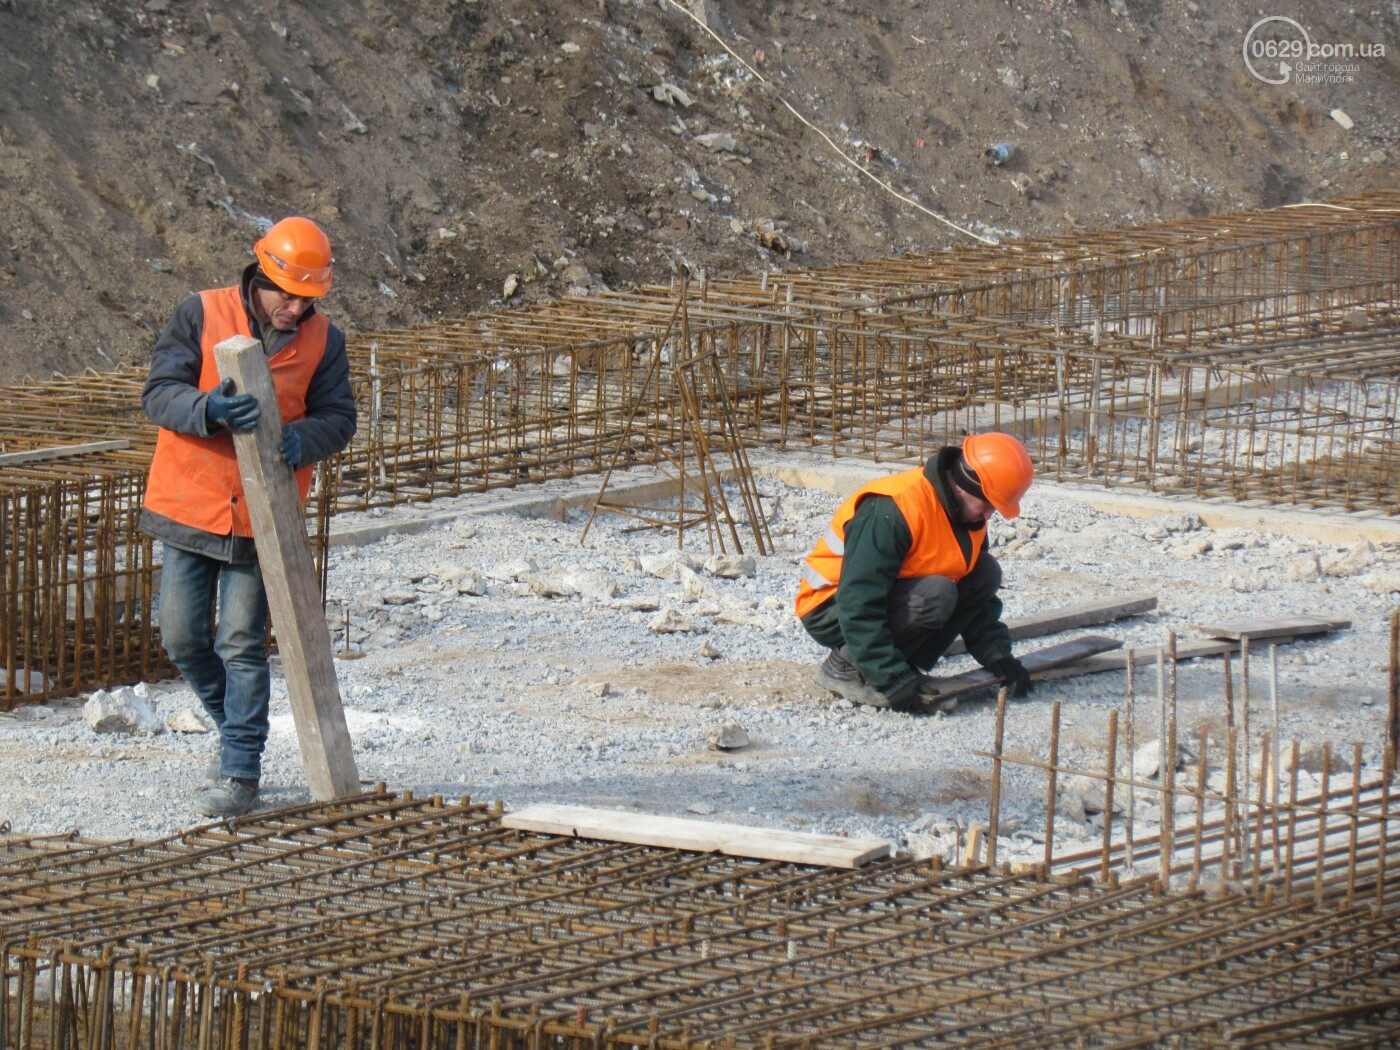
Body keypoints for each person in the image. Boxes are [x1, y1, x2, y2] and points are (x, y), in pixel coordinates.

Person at [140, 216, 356, 817]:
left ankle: (240, 768)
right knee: (182, 637)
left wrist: (302, 440)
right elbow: (158, 392)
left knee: (240, 641)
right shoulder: (201, 313)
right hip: (190, 505)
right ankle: (232, 726)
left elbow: (339, 416)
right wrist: (206, 408)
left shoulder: (324, 340)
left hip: (264, 515)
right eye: (285, 294)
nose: (294, 308)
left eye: (306, 298)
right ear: (259, 276)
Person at [795, 432, 1035, 713]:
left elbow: (977, 599)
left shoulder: (965, 516)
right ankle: (847, 668)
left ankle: (895, 663)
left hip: (882, 596)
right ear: (966, 486)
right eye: (987, 505)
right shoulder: (894, 508)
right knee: (937, 593)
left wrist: (997, 655)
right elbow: (858, 600)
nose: (988, 516)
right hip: (830, 606)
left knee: (986, 573)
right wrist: (893, 681)